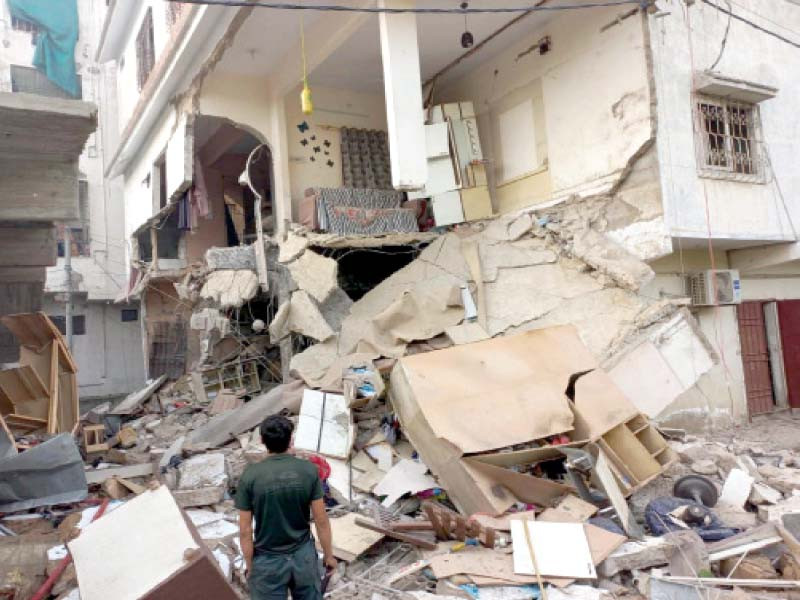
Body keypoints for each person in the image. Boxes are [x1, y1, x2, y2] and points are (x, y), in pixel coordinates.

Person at [236, 414, 337, 600]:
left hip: (267, 562)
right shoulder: (308, 470)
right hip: (303, 557)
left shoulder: (250, 476)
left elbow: (245, 530)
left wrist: (250, 565)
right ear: (290, 440)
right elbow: (321, 520)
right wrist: (329, 555)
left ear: (262, 441)